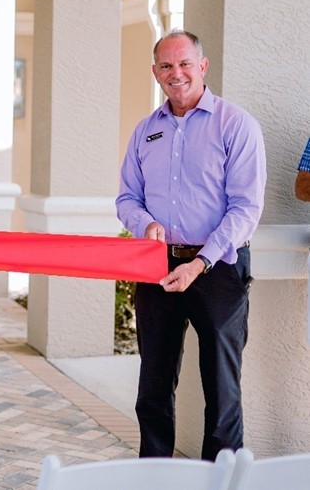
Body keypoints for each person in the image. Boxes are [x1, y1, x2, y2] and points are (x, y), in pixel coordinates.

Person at [116, 29, 266, 460]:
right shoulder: (146, 131)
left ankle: (220, 481)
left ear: (202, 66)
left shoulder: (235, 125)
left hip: (218, 267)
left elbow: (245, 207)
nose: (175, 73)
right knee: (153, 386)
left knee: (221, 389)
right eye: (166, 65)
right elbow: (127, 197)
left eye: (184, 64)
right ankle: (155, 476)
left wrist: (200, 262)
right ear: (155, 72)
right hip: (157, 266)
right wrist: (144, 223)